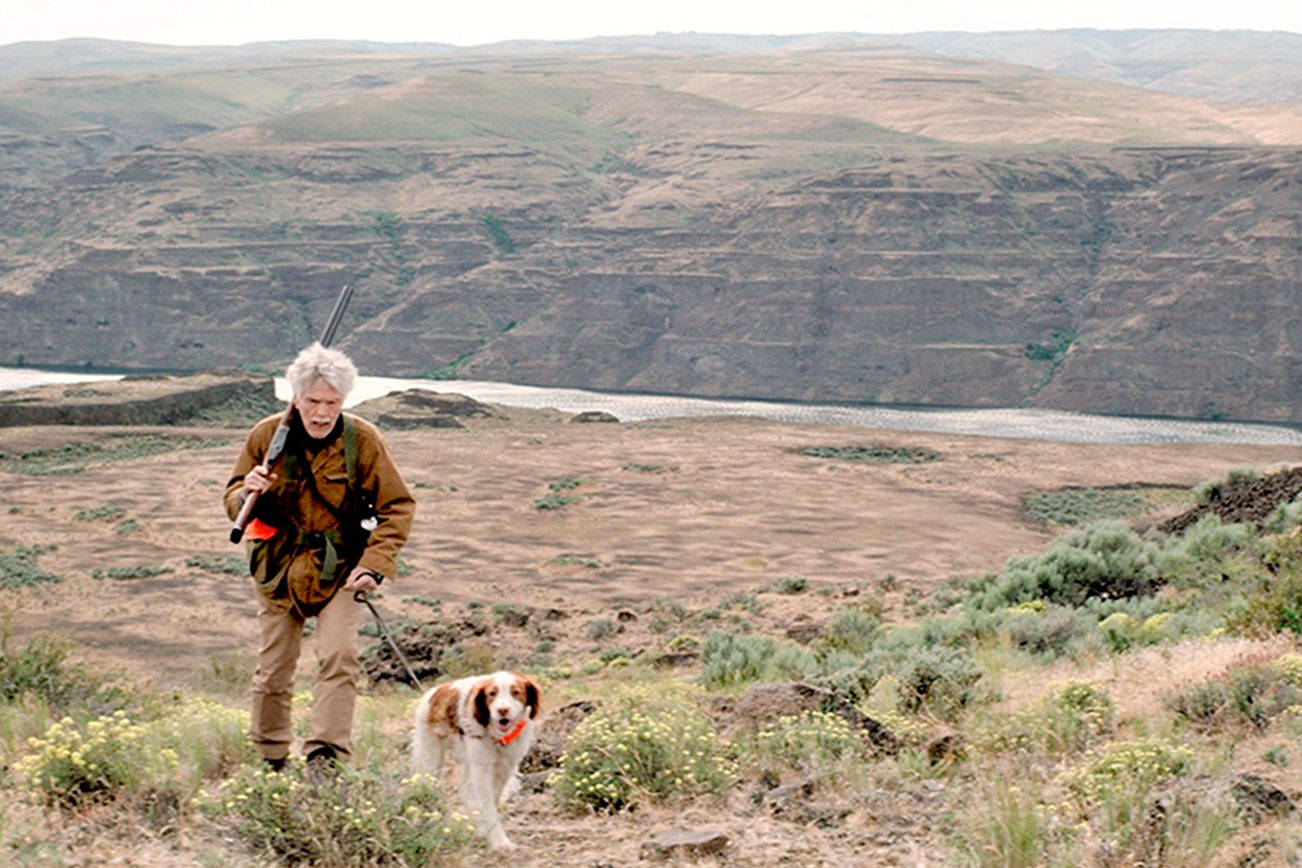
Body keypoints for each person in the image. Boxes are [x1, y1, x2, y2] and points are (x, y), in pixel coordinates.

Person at [224, 342, 415, 771]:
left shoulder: (362, 440)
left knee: (339, 658)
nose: (322, 413)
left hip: (341, 569)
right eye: (313, 401)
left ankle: (325, 758)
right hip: (278, 570)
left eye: (332, 403)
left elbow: (398, 506)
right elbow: (233, 501)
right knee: (274, 667)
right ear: (295, 398)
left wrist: (373, 566)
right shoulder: (265, 437)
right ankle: (271, 756)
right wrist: (247, 492)